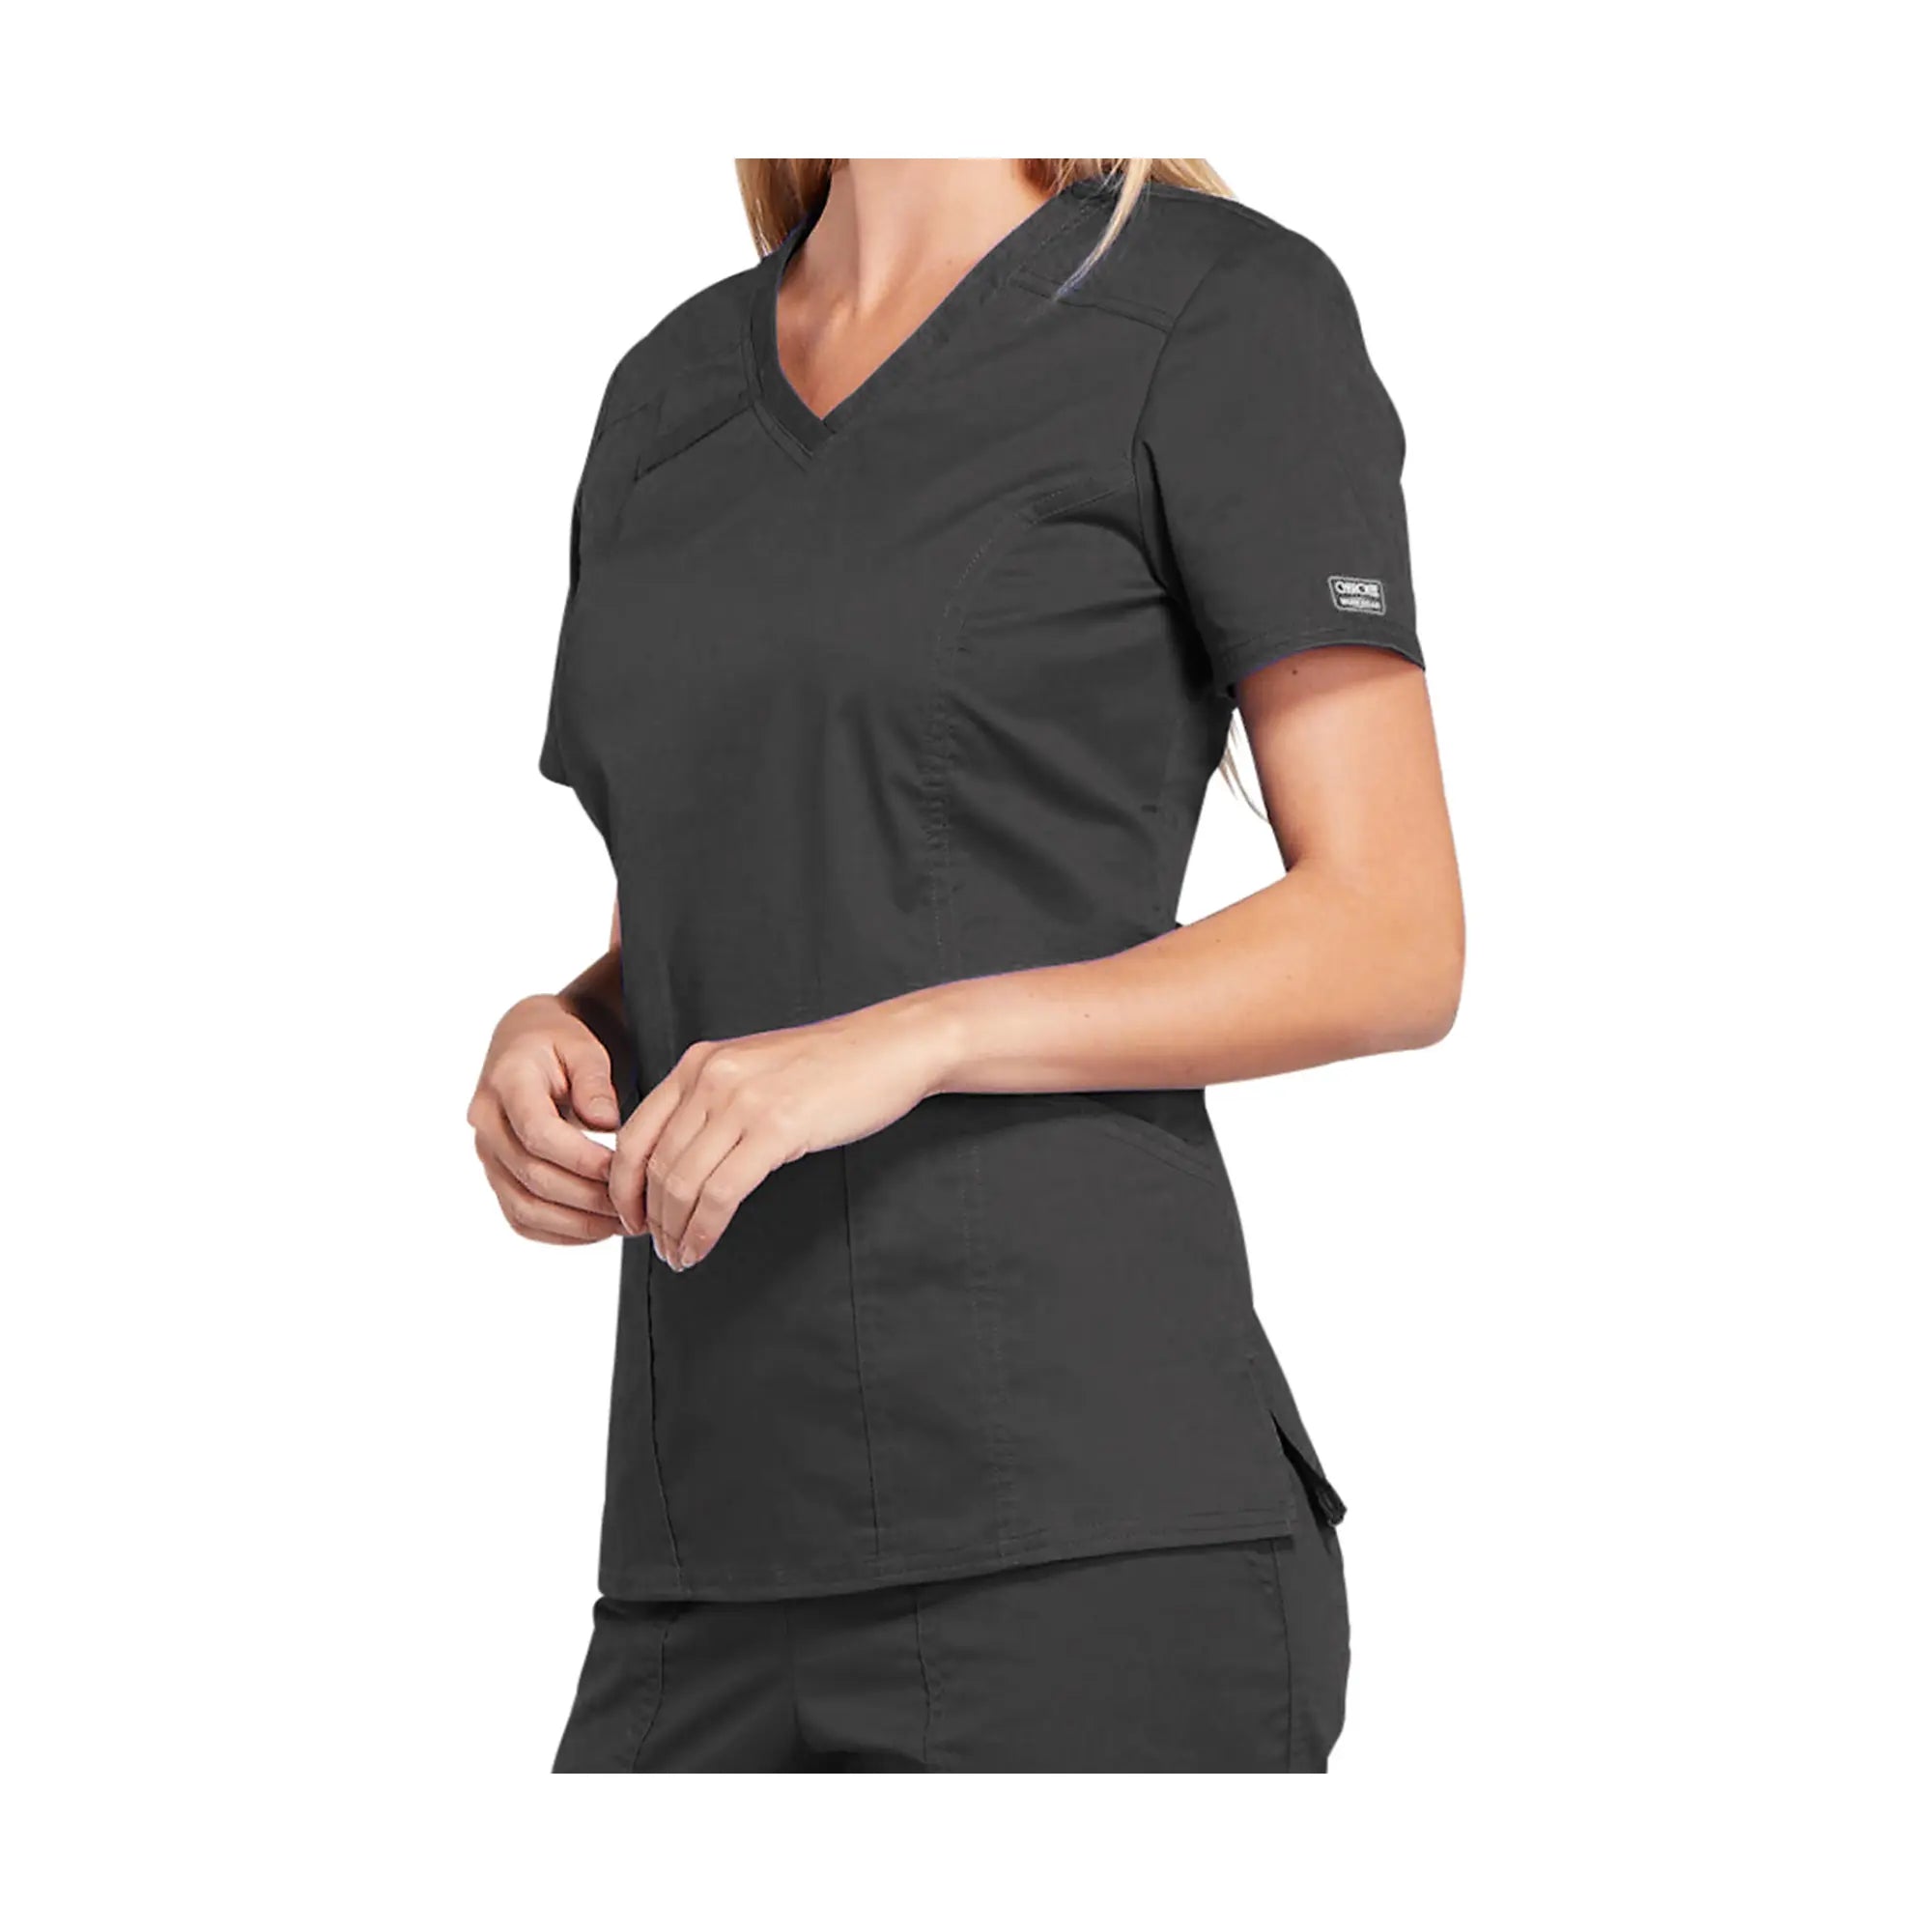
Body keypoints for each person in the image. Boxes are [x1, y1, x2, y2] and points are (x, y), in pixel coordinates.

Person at [469, 157, 1463, 1772]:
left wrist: (915, 1039)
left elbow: (1393, 932)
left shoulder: (1218, 309)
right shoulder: (663, 394)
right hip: (696, 1553)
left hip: (1082, 1534)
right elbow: (756, 876)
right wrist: (569, 1026)